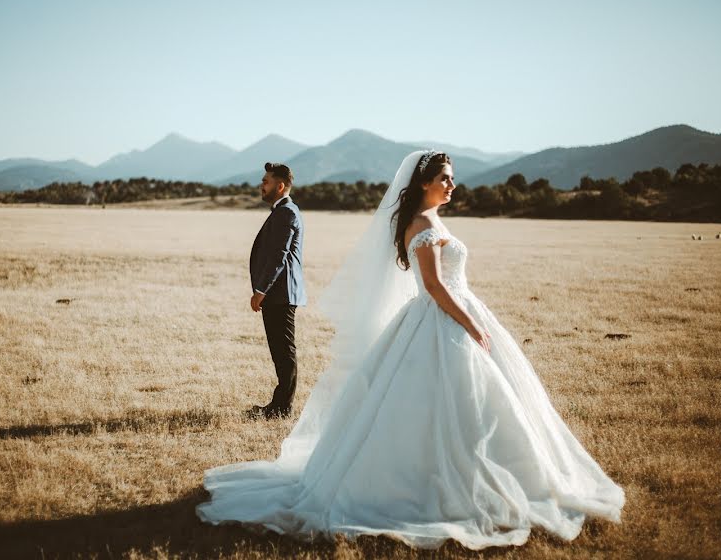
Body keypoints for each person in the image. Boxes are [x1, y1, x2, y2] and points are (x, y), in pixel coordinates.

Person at [198, 151, 624, 550]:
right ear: (423, 183)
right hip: (441, 318)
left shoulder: (431, 219)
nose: (452, 185)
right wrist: (472, 323)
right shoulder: (420, 224)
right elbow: (435, 286)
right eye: (445, 179)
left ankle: (509, 475)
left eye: (453, 179)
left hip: (451, 311)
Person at [246, 162, 307, 420]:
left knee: (284, 352)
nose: (262, 185)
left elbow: (278, 257)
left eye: (266, 181)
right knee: (280, 352)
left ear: (280, 186)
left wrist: (261, 290)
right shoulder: (283, 211)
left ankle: (281, 408)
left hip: (280, 295)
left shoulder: (286, 213)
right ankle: (279, 405)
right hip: (278, 294)